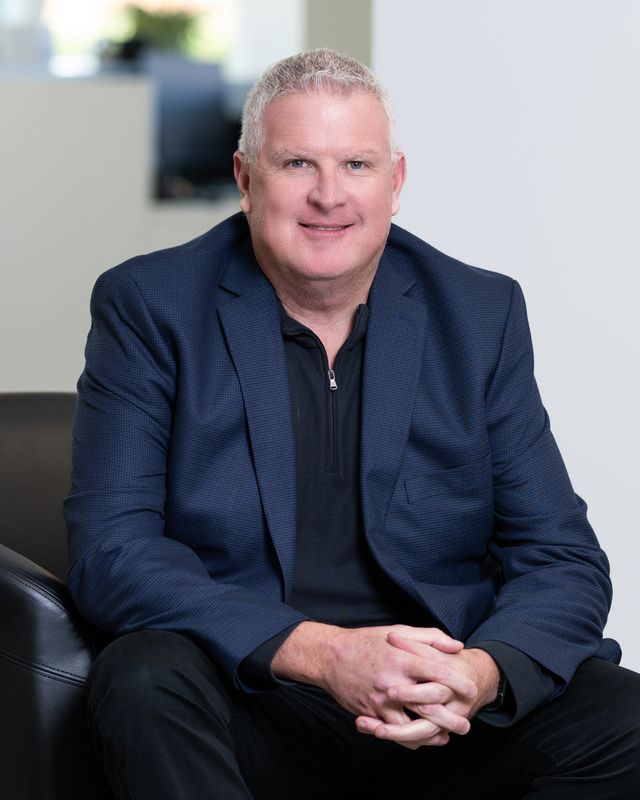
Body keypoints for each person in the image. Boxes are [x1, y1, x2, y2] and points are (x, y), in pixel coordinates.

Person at [65, 49, 640, 799]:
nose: (328, 196)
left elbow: (561, 557)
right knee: (144, 677)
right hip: (255, 692)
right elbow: (113, 551)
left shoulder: (478, 314)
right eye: (297, 163)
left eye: (357, 165)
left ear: (394, 184)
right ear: (246, 178)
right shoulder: (151, 306)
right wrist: (324, 654)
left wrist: (480, 673)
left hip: (439, 701)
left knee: (626, 719)